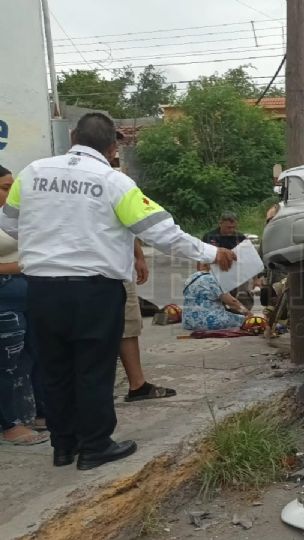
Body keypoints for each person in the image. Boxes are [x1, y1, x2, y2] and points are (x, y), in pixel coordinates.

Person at [0, 113, 236, 470]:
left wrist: (52, 240)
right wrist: (211, 252)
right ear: (113, 148)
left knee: (55, 369)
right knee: (93, 369)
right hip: (95, 292)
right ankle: (95, 446)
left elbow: (10, 224)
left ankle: (64, 447)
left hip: (42, 290)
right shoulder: (114, 183)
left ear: (73, 137)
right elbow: (162, 233)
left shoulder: (32, 173)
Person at [0, 165, 46, 446]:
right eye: (5, 187)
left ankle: (36, 412)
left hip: (29, 297)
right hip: (5, 303)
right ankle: (10, 424)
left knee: (33, 358)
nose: (11, 192)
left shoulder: (16, 216)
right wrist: (23, 266)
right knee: (8, 363)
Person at [120, 240, 176, 402]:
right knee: (127, 324)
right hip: (112, 271)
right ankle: (137, 384)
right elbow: (132, 222)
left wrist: (139, 256)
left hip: (55, 274)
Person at [182, 263, 252, 331]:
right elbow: (232, 302)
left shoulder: (190, 278)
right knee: (244, 320)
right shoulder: (213, 279)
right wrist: (248, 313)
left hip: (188, 322)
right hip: (207, 321)